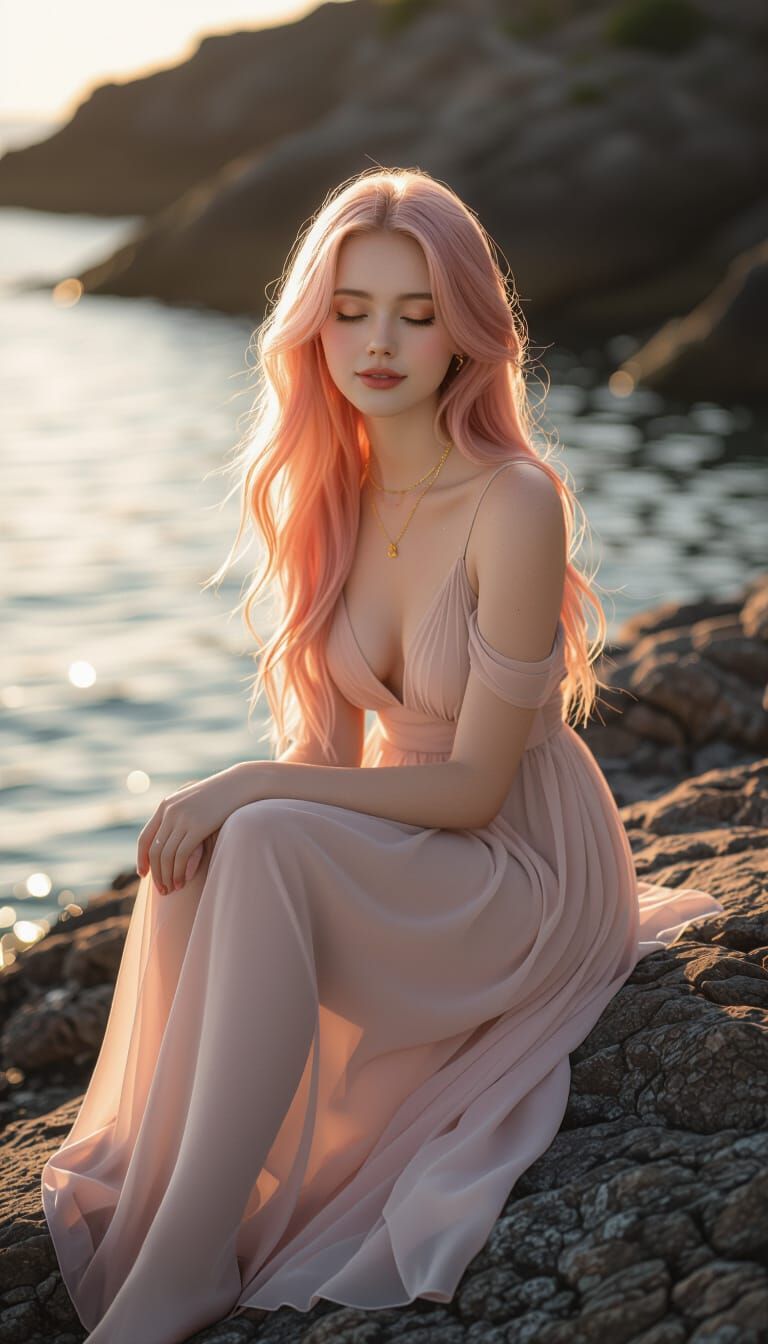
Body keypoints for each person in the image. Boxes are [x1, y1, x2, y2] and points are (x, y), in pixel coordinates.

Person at [41, 167, 724, 1344]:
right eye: (352, 310)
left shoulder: (514, 501)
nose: (379, 343)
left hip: (523, 870)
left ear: (466, 331)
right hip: (417, 854)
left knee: (255, 822)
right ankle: (188, 1212)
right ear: (314, 323)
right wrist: (252, 800)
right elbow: (325, 755)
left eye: (417, 313)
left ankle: (186, 1265)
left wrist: (249, 783)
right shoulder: (332, 495)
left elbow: (475, 789)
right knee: (211, 857)